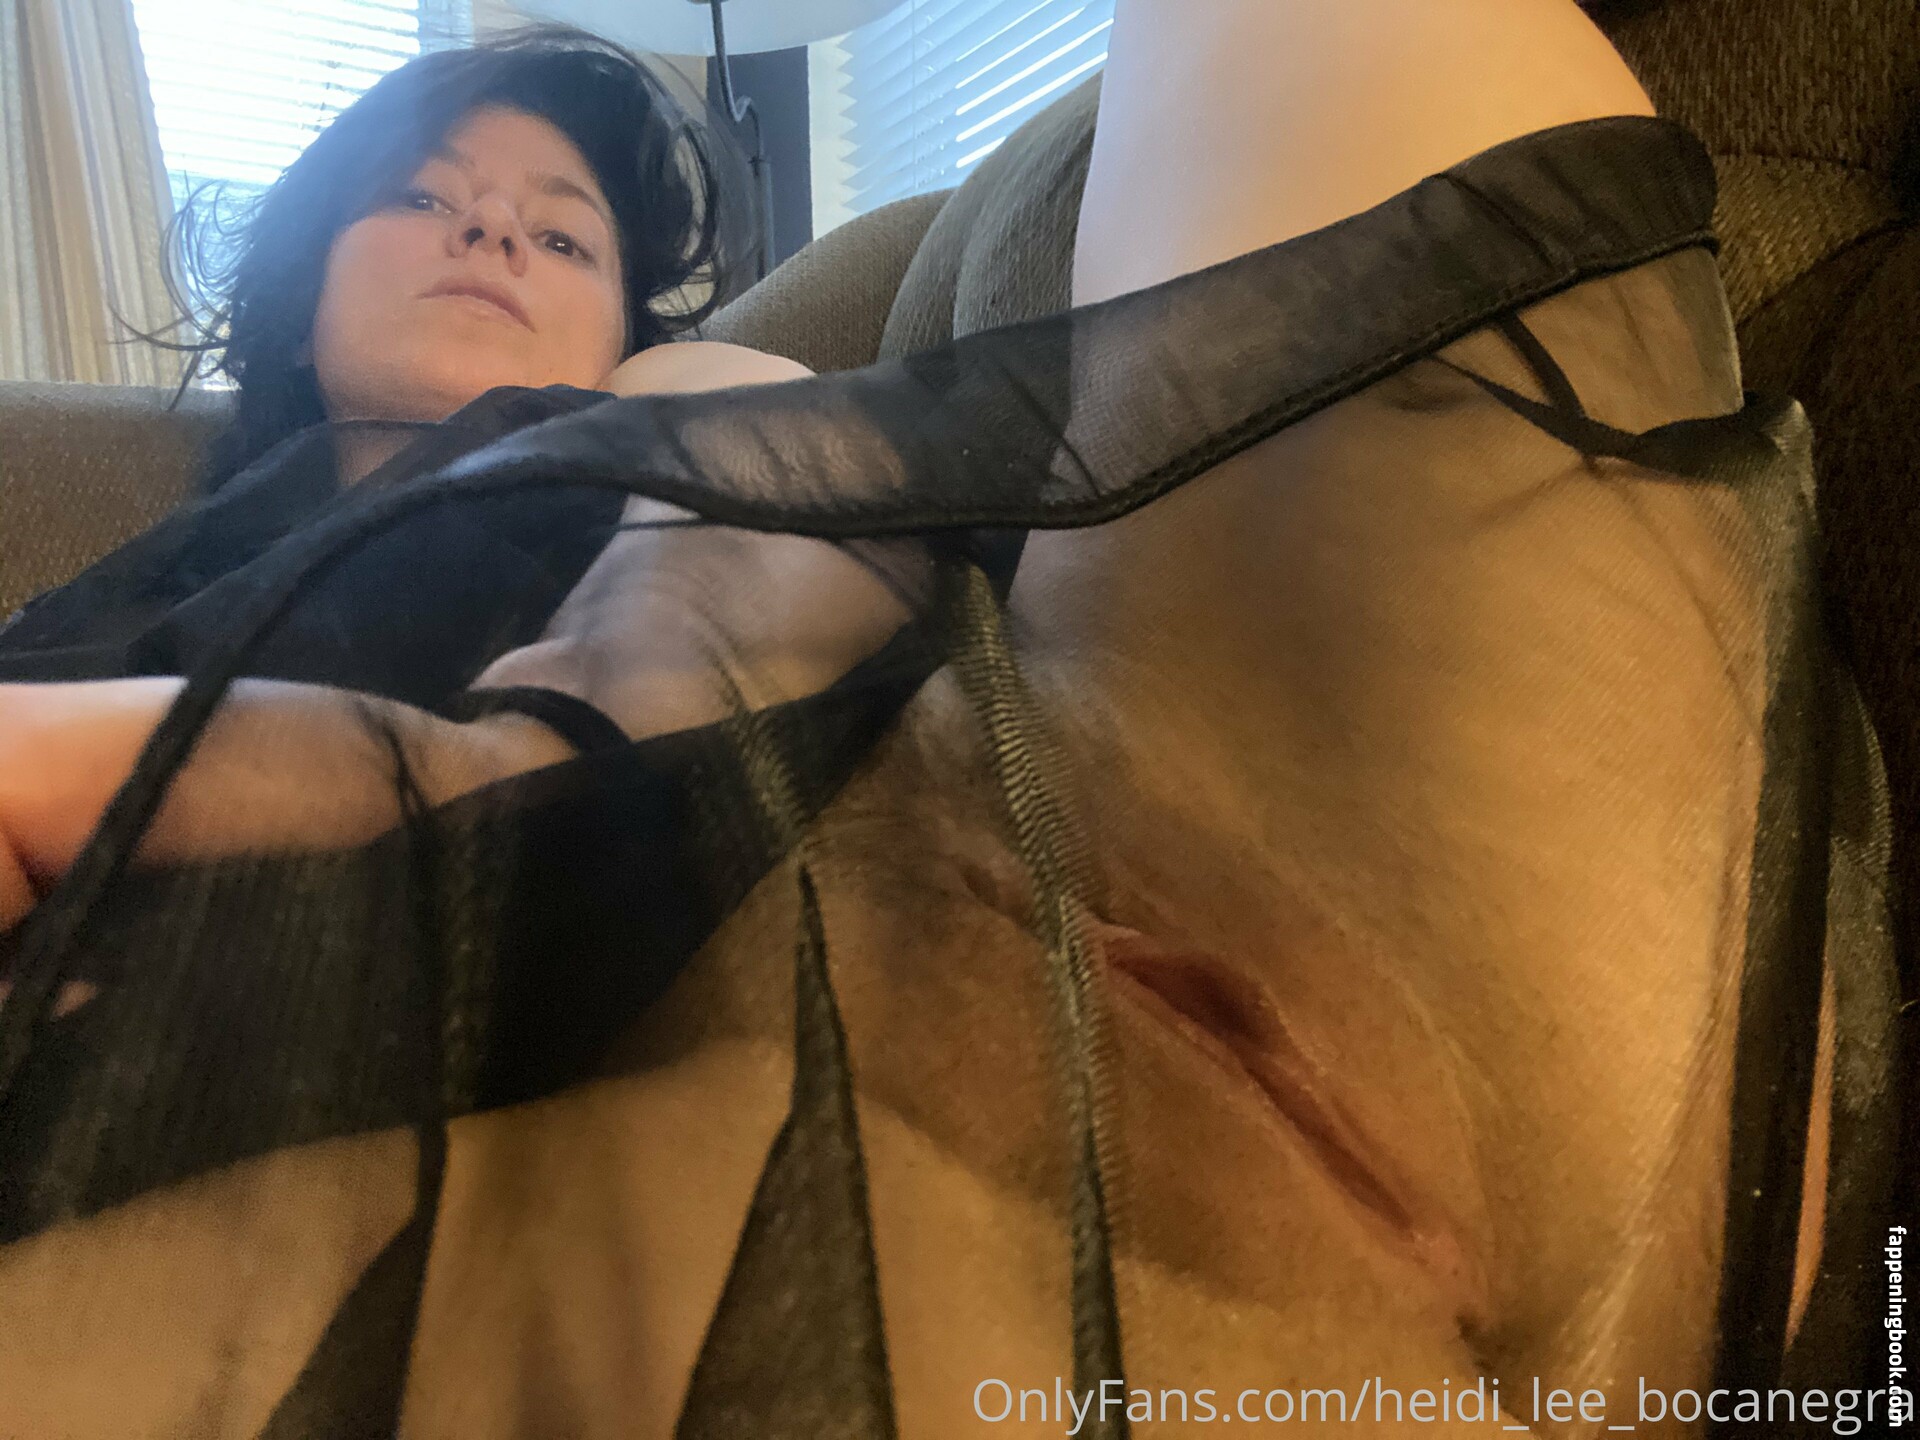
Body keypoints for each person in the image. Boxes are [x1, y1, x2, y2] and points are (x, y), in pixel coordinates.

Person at [0, 2, 1897, 1436]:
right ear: (301, 284)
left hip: (955, 958)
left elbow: (711, 606)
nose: (491, 233)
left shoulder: (684, 403)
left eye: (560, 235)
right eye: (425, 197)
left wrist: (467, 790)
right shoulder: (113, 592)